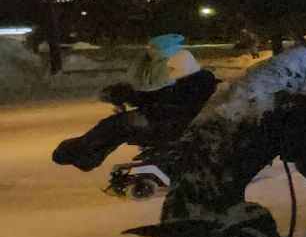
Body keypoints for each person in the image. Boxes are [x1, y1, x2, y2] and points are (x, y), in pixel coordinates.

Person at [52, 34, 220, 171]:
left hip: (172, 127)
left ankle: (84, 154)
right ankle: (84, 153)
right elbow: (157, 97)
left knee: (116, 126)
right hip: (166, 122)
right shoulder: (190, 80)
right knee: (115, 125)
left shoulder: (195, 85)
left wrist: (144, 109)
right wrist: (129, 95)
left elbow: (174, 107)